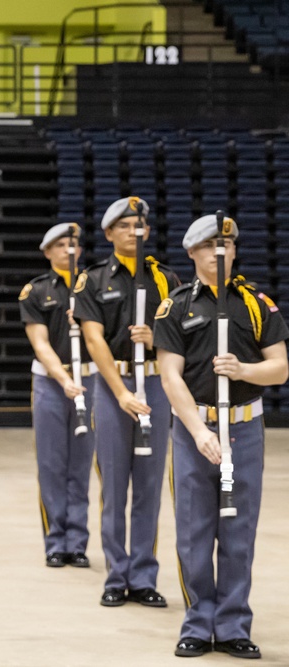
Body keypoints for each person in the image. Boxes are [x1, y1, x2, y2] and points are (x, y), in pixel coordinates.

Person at [156, 215, 288, 659]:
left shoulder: (255, 304)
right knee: (194, 532)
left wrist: (243, 370)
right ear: (193, 253)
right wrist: (197, 430)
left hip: (245, 427)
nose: (222, 251)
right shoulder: (176, 307)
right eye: (213, 245)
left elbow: (280, 367)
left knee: (238, 530)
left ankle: (233, 625)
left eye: (228, 245)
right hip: (197, 429)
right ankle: (197, 623)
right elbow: (170, 376)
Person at [73, 196, 180, 608]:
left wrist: (157, 339)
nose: (134, 230)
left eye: (140, 224)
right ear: (110, 232)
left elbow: (181, 338)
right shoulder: (95, 279)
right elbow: (93, 337)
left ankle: (144, 575)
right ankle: (116, 575)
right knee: (115, 484)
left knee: (149, 485)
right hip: (113, 383)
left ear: (148, 231)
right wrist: (119, 391)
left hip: (155, 383)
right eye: (125, 224)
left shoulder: (165, 280)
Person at [19, 223, 94, 568]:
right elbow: (40, 343)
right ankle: (55, 541)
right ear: (47, 252)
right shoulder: (36, 291)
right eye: (60, 245)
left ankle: (77, 541)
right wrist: (64, 378)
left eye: (73, 244)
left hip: (90, 381)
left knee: (81, 465)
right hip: (51, 384)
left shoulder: (92, 286)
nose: (68, 250)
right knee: (52, 464)